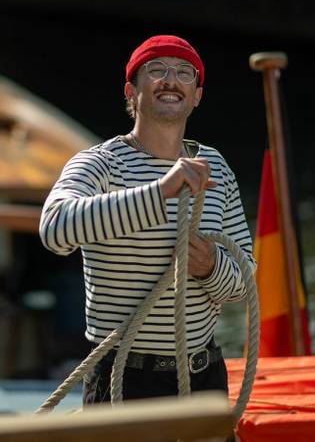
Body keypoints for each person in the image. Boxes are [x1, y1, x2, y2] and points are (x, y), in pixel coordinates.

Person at [38, 34, 255, 404]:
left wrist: (210, 268)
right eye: (156, 70)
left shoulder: (216, 167)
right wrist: (160, 192)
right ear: (131, 92)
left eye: (184, 73)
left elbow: (244, 282)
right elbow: (55, 229)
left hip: (203, 378)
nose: (170, 80)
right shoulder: (100, 164)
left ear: (197, 96)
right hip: (123, 381)